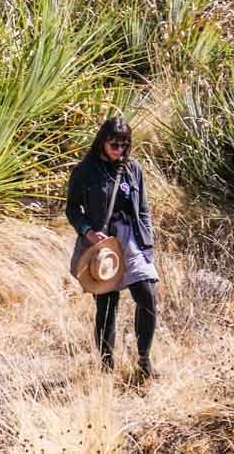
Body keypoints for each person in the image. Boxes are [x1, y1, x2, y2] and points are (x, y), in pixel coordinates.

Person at [66, 116, 158, 377]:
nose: (119, 150)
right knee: (107, 306)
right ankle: (106, 368)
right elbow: (72, 209)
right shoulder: (85, 171)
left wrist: (147, 243)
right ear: (102, 142)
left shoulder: (133, 169)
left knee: (147, 294)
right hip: (102, 242)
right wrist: (87, 231)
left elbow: (143, 209)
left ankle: (144, 361)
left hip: (131, 239)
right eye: (114, 145)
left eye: (124, 145)